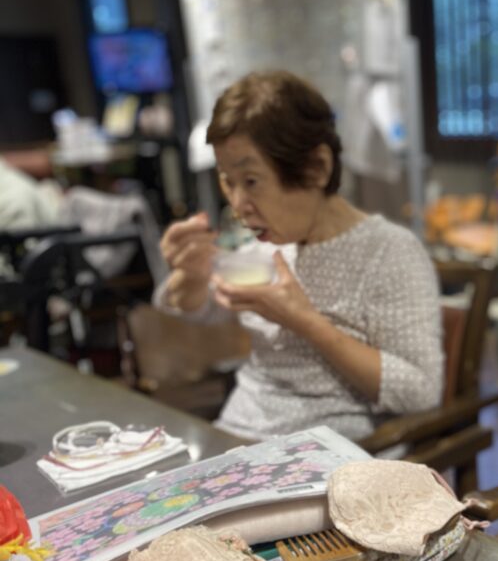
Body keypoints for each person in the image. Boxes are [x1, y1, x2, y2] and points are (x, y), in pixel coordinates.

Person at [157, 70, 443, 442]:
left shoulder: (389, 252)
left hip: (331, 454)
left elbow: (420, 392)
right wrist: (191, 274)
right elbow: (199, 307)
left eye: (252, 181)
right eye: (228, 180)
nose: (239, 205)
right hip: (238, 438)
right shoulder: (268, 245)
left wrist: (306, 322)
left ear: (317, 168)